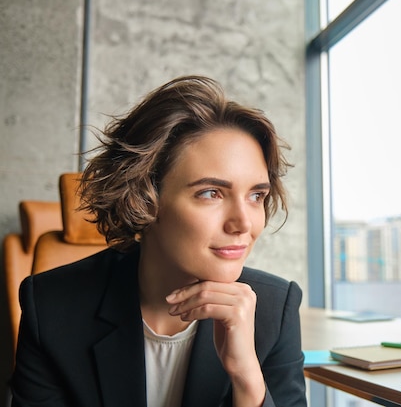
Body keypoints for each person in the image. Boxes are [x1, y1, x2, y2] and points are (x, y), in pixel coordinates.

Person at [10, 75, 307, 407]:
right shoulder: (52, 306)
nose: (244, 223)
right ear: (144, 198)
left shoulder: (274, 310)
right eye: (211, 193)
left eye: (255, 195)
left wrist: (247, 380)